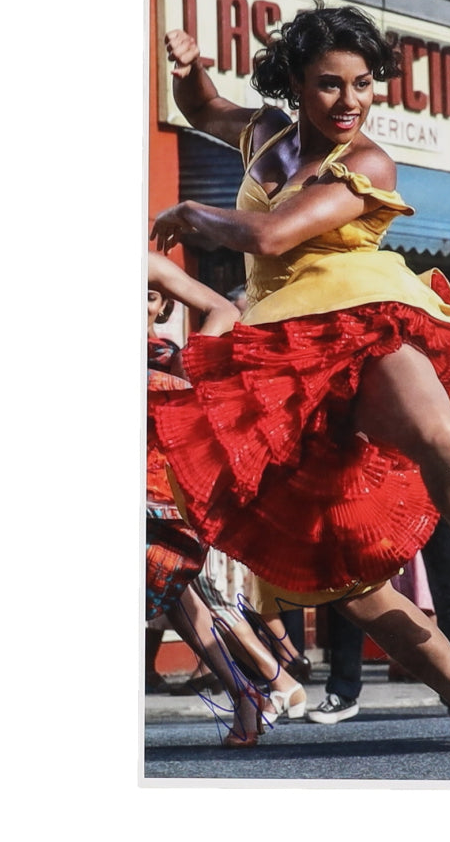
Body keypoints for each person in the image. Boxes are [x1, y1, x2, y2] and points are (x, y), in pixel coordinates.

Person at [151, 2, 450, 779]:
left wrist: (191, 211)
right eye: (330, 85)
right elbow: (203, 109)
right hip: (283, 362)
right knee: (348, 585)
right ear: (296, 82)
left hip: (361, 323)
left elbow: (268, 236)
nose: (351, 101)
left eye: (363, 84)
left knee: (442, 437)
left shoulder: (368, 163)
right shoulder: (264, 134)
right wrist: (190, 69)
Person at [145, 253, 269, 746]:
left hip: (153, 454)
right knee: (170, 588)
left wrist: (185, 377)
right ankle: (251, 686)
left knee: (167, 577)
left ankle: (255, 684)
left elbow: (223, 311)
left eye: (151, 298)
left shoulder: (148, 266)